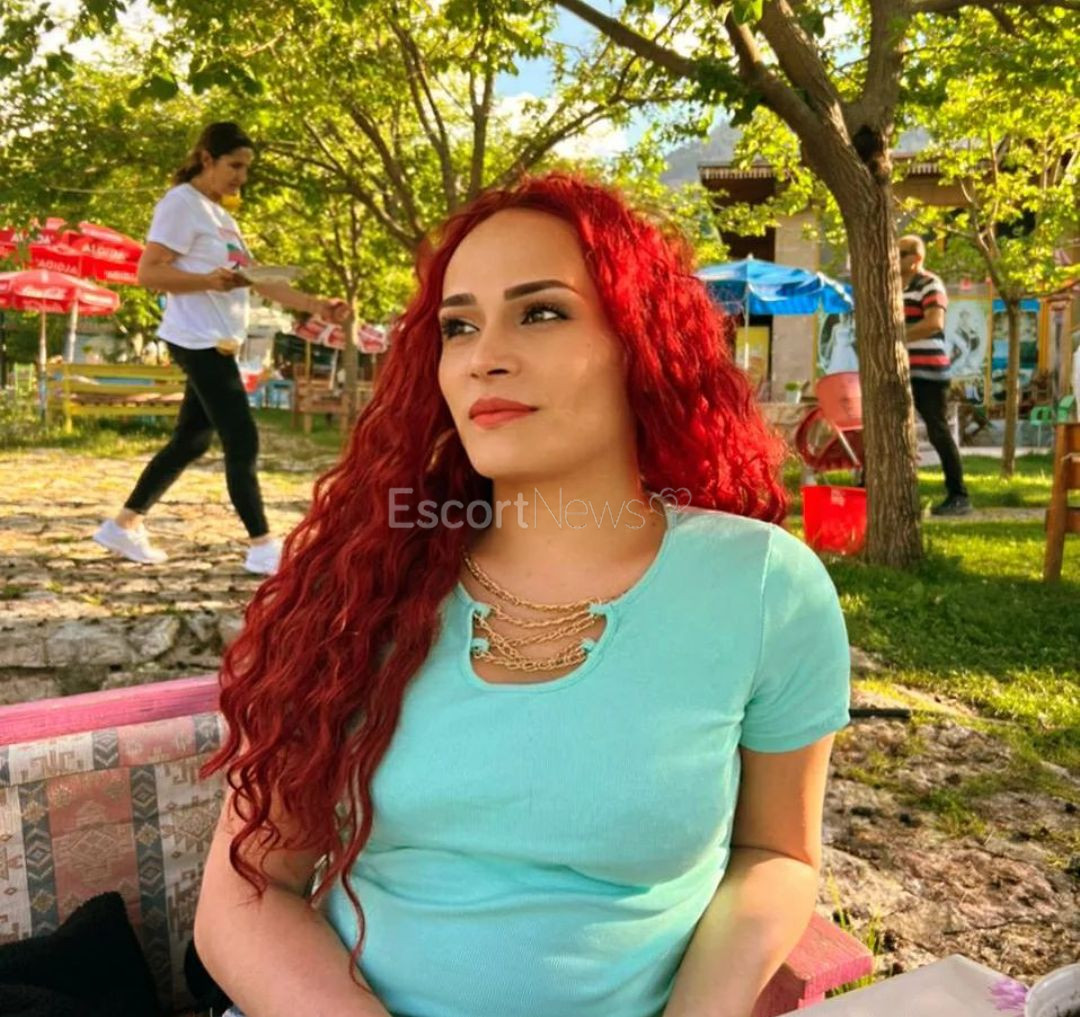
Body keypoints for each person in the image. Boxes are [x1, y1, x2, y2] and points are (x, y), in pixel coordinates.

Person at [193, 174, 852, 1017]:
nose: (483, 356)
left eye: (540, 311)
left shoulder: (761, 588)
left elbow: (775, 852)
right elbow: (249, 889)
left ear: (641, 342)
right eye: (458, 326)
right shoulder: (363, 584)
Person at [93, 122, 350, 574]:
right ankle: (262, 545)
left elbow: (259, 281)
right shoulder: (180, 204)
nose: (241, 177)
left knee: (191, 441)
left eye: (247, 168)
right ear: (206, 159)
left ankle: (123, 525)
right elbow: (148, 273)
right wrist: (206, 282)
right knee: (241, 437)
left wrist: (317, 306)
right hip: (197, 339)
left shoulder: (221, 217)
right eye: (235, 165)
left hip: (219, 341)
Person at [899, 234, 971, 515]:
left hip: (929, 370)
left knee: (938, 431)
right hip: (902, 372)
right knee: (892, 430)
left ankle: (959, 495)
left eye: (902, 253)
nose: (895, 258)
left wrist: (896, 337)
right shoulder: (895, 286)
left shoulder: (930, 283)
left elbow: (934, 323)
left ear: (916, 258)